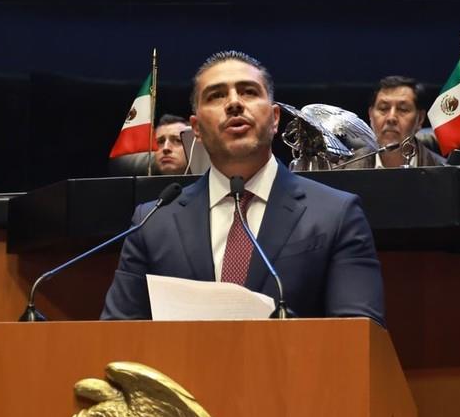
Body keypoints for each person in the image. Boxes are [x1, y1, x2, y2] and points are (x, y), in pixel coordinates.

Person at [101, 51, 385, 324]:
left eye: (249, 91)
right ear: (196, 129)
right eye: (216, 95)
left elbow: (358, 335)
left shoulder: (335, 214)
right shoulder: (153, 222)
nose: (234, 103)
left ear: (275, 119)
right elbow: (118, 333)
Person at [342, 76, 446, 169]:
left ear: (420, 119)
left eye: (403, 109)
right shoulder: (344, 170)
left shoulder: (444, 173)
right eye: (383, 108)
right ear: (370, 115)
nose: (391, 118)